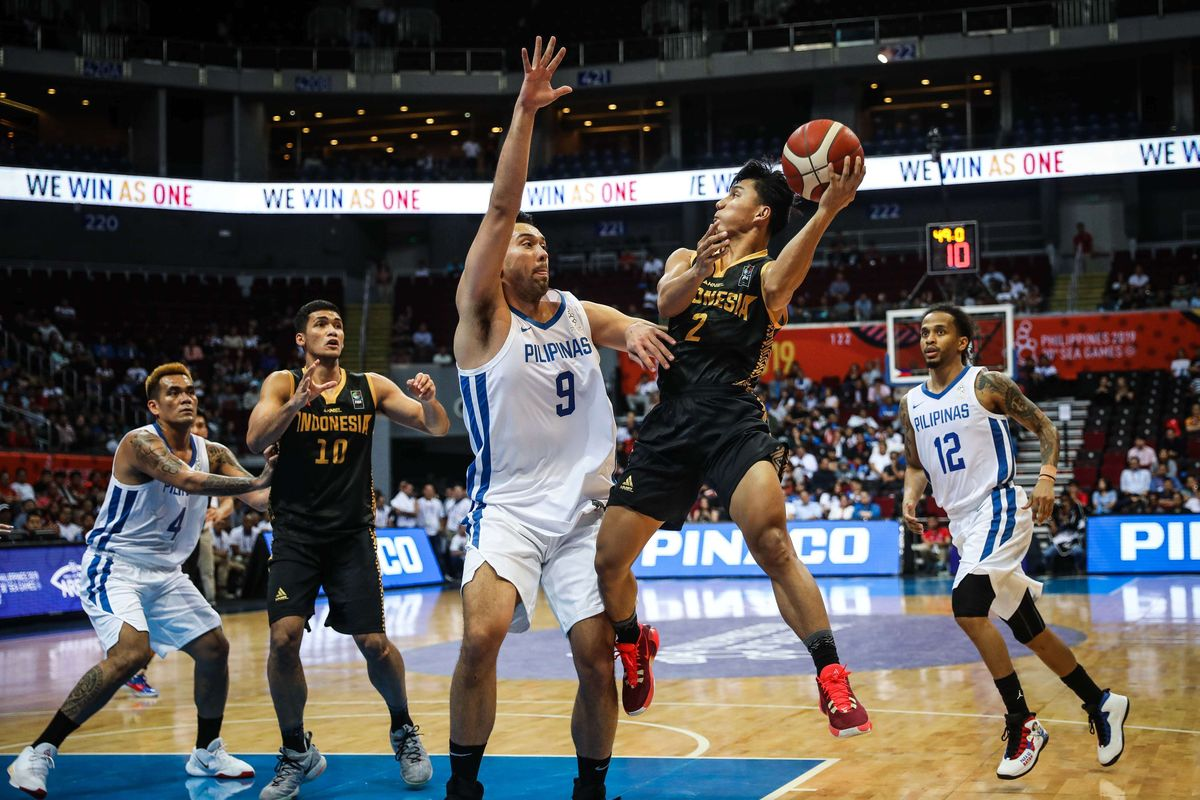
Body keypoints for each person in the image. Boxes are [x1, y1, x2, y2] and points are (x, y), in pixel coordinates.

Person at [446, 36, 674, 800]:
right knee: (481, 638)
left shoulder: (574, 310)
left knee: (594, 660)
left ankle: (591, 789)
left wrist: (637, 332)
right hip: (509, 509)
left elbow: (624, 325)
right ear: (498, 258)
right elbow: (501, 206)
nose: (539, 248)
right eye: (526, 241)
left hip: (583, 514)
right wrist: (525, 110)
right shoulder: (481, 317)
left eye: (544, 241)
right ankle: (464, 785)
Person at [593, 152, 872, 739]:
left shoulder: (767, 272)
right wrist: (700, 267)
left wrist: (825, 211)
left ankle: (832, 677)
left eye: (734, 193)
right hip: (672, 420)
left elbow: (783, 282)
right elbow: (667, 303)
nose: (721, 201)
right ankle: (633, 641)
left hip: (732, 417)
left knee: (772, 541)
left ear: (761, 212)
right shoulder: (686, 256)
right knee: (608, 561)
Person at [6, 363, 275, 799]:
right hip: (115, 566)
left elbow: (259, 499)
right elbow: (186, 479)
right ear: (154, 405)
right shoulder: (139, 443)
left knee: (214, 648)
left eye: (190, 391)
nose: (185, 397)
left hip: (165, 574)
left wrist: (285, 472)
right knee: (131, 653)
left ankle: (206, 751)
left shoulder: (214, 451)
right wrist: (259, 477)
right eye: (173, 392)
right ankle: (37, 752)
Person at [899, 305, 1128, 780]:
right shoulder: (911, 404)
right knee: (1030, 630)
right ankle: (1101, 702)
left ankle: (1022, 721)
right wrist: (910, 497)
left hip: (999, 506)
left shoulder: (986, 383)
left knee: (967, 608)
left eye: (940, 331)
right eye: (923, 332)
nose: (929, 339)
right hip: (963, 524)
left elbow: (1046, 427)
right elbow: (916, 463)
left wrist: (1047, 477)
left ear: (963, 341)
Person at [246, 299, 450, 799]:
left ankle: (403, 729)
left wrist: (429, 400)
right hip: (295, 534)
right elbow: (254, 439)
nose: (333, 330)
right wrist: (295, 405)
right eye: (321, 324)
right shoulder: (282, 383)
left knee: (374, 644)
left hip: (351, 536)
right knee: (283, 639)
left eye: (337, 324)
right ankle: (296, 750)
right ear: (302, 339)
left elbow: (437, 427)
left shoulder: (370, 386)